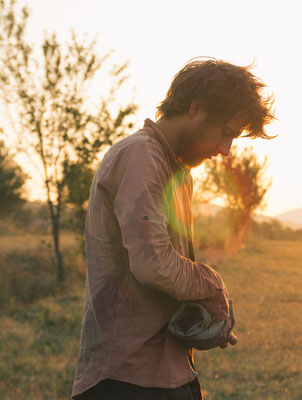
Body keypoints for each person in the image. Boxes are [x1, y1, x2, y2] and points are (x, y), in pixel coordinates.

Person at [71, 58, 275, 400]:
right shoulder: (140, 156)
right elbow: (153, 263)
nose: (226, 151)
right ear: (197, 109)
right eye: (226, 133)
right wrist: (212, 286)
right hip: (127, 381)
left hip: (163, 374)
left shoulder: (177, 172)